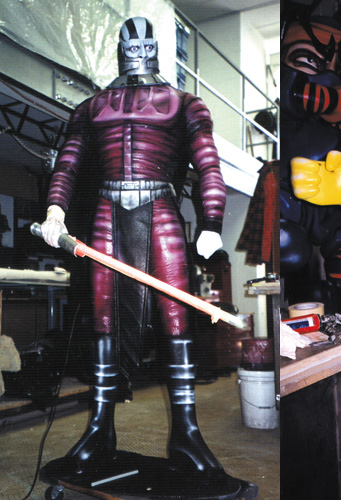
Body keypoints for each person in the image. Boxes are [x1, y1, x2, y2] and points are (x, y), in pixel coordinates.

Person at [38, 16, 227, 476]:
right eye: (133, 46)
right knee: (104, 317)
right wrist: (55, 212)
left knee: (176, 316)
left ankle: (186, 433)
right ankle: (101, 426)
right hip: (108, 211)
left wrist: (212, 221)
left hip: (159, 208)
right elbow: (67, 163)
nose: (138, 53)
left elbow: (208, 163)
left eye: (144, 46)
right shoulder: (91, 108)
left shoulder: (185, 103)